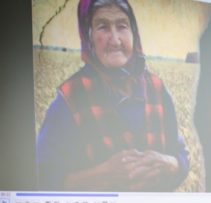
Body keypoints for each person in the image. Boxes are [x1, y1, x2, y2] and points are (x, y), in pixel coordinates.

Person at [36, 0, 189, 191]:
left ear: (134, 33)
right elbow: (42, 177)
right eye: (103, 27)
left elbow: (181, 156)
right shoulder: (69, 100)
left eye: (122, 26)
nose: (115, 40)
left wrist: (170, 164)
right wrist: (100, 176)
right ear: (88, 36)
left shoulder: (157, 89)